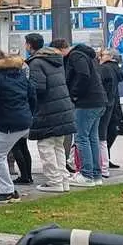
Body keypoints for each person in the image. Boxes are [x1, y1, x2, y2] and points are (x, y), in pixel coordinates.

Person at [0, 46, 35, 204]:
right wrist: (30, 113)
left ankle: (7, 191)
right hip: (21, 117)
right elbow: (32, 94)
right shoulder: (18, 72)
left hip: (7, 121)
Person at [50, 38, 107, 188]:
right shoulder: (85, 55)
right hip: (97, 100)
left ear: (60, 49)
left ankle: (86, 174)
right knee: (92, 138)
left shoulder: (75, 56)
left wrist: (74, 94)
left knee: (81, 138)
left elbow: (83, 75)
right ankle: (96, 174)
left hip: (86, 102)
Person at [25, 34, 76, 193]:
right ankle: (63, 180)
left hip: (47, 109)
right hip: (62, 107)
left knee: (46, 146)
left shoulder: (36, 63)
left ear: (29, 45)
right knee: (58, 146)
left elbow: (38, 88)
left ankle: (54, 181)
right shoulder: (56, 60)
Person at [97, 49, 123, 175]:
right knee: (106, 133)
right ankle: (105, 161)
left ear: (111, 57)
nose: (100, 57)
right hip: (112, 104)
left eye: (103, 55)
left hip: (106, 104)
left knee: (101, 135)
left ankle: (103, 163)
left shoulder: (105, 69)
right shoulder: (115, 69)